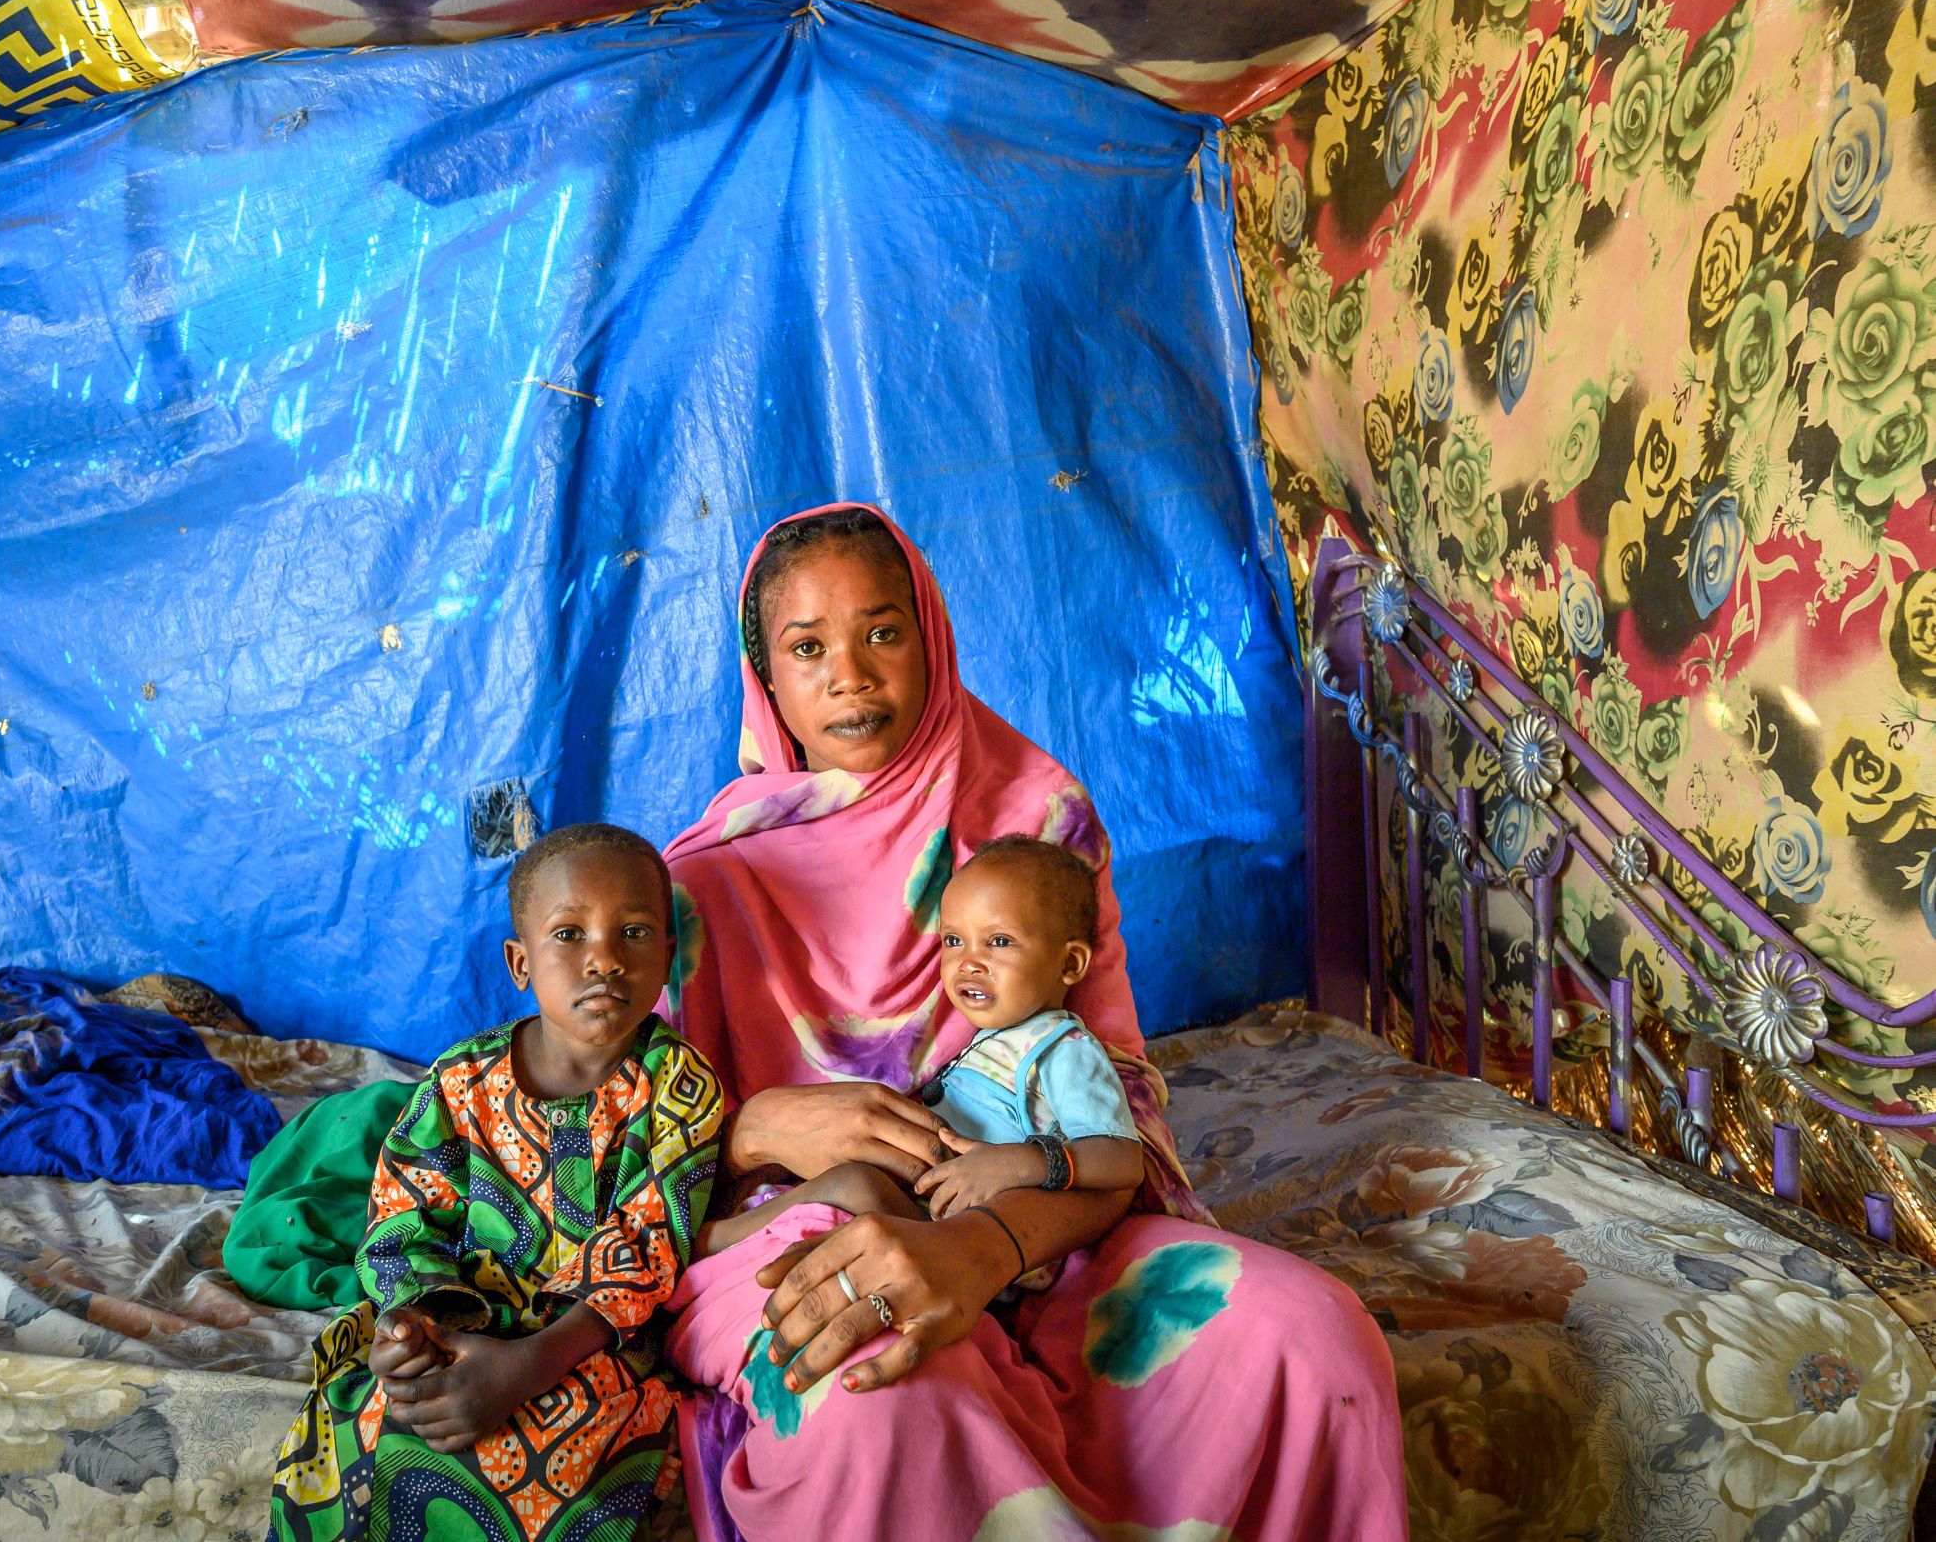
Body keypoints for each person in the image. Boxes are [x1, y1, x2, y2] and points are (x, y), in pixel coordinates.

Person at [660, 503, 1407, 1541]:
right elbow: (621, 1164)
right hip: (792, 1226)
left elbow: (1115, 1119)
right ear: (766, 681)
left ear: (932, 634)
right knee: (884, 1398)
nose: (850, 673)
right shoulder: (693, 892)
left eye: (882, 630)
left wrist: (982, 1246)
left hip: (1038, 1226)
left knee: (1314, 1339)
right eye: (806, 647)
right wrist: (758, 1127)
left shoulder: (1034, 823)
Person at [269, 824, 724, 1542]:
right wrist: (415, 1331)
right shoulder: (459, 1083)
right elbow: (402, 1224)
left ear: (668, 956)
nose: (604, 958)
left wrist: (524, 1367)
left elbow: (648, 1246)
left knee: (562, 1443)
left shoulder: (680, 1086)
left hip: (588, 1340)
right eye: (569, 934)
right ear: (520, 962)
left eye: (634, 932)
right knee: (366, 1414)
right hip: (458, 1323)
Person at [698, 834, 1143, 1256]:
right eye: (953, 940)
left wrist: (1019, 1164)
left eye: (999, 941)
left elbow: (1122, 1158)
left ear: (1070, 962)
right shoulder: (992, 1038)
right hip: (930, 1203)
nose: (969, 962)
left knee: (855, 1185)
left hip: (974, 1229)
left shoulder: (1065, 1049)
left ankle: (716, 1241)